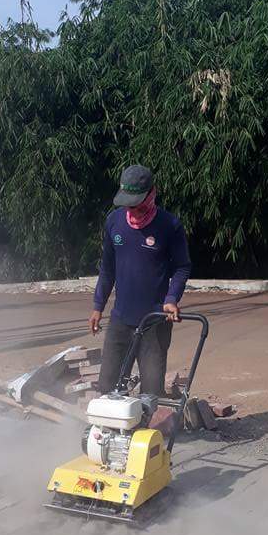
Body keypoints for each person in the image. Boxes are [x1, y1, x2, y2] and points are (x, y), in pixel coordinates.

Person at [89, 164, 192, 397]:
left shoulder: (169, 226)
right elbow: (107, 268)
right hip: (120, 320)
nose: (131, 209)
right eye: (127, 204)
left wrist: (172, 298)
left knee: (151, 393)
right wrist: (98, 306)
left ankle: (149, 420)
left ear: (151, 194)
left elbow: (182, 266)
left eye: (136, 204)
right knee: (107, 388)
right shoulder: (114, 222)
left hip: (154, 322)